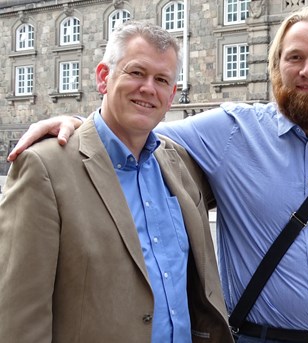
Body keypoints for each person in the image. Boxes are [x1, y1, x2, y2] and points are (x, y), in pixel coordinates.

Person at [7, 6, 308, 342]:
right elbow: (133, 130)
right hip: (257, 336)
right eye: (294, 57)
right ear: (276, 67)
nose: (307, 70)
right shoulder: (232, 131)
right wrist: (74, 124)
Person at [0, 21, 232, 342]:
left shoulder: (180, 164)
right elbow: (19, 316)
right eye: (136, 72)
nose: (149, 88)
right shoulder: (45, 167)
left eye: (162, 80)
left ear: (171, 96)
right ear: (103, 77)